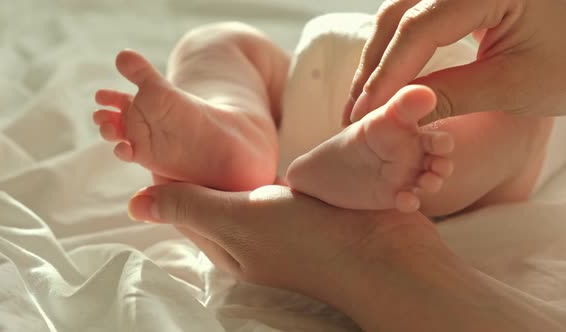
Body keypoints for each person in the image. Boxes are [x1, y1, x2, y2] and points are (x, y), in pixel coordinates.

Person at [102, 0, 566, 330]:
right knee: (220, 38)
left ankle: (255, 134)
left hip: (392, 83)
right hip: (376, 65)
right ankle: (243, 130)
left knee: (220, 43)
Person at [93, 13, 551, 216]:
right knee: (219, 40)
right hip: (343, 64)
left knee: (514, 124)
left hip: (445, 112)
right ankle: (237, 125)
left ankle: (378, 161)